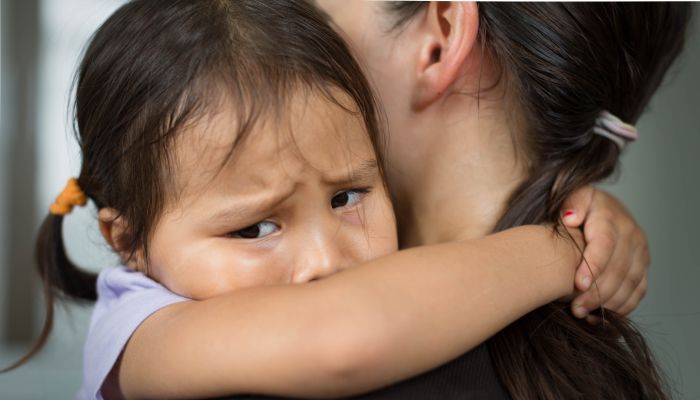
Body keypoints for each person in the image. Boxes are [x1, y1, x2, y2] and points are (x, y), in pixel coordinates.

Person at [2, 1, 664, 399]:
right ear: (126, 242)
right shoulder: (138, 326)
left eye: (348, 195)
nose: (327, 261)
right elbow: (343, 337)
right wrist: (559, 249)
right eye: (256, 227)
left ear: (440, 33)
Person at [312, 1, 692, 399]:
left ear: (441, 39)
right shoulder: (593, 371)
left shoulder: (300, 365)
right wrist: (559, 250)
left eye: (322, 23)